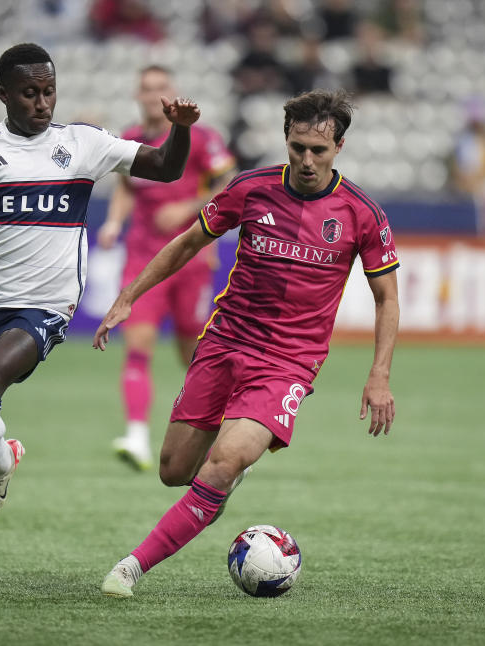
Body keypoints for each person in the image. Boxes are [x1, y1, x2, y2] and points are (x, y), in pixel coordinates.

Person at [92, 89, 400, 597]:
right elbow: (190, 241)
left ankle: (130, 567)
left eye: (318, 151)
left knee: (222, 462)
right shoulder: (251, 189)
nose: (306, 160)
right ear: (286, 140)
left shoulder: (361, 213)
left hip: (288, 362)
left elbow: (386, 298)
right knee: (174, 471)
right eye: (298, 147)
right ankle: (227, 475)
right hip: (225, 341)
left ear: (338, 148)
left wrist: (380, 375)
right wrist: (130, 295)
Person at [0, 43, 200, 565]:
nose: (42, 103)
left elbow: (166, 169)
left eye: (48, 91)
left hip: (44, 304)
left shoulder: (83, 144)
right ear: (4, 95)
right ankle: (2, 460)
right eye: (29, 93)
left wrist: (180, 130)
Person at [97, 65, 236, 471]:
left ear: (172, 93)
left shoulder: (202, 137)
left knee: (192, 355)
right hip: (142, 259)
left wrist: (187, 206)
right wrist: (113, 223)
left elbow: (228, 184)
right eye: (146, 88)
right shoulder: (130, 140)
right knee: (137, 345)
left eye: (161, 87)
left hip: (189, 260)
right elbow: (125, 186)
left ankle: (219, 429)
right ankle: (137, 437)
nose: (153, 94)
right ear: (137, 95)